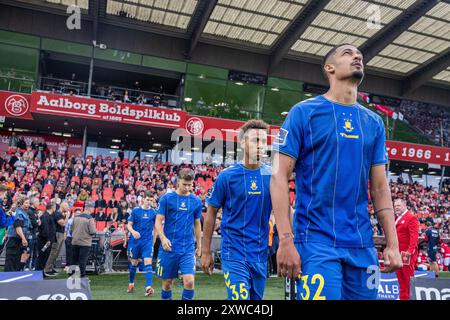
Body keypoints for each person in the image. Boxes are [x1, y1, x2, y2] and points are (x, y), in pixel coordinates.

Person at [270, 43, 402, 300]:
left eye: (360, 55)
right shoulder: (303, 113)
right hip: (316, 242)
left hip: (362, 245)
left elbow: (380, 188)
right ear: (329, 68)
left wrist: (392, 243)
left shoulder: (373, 123)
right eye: (347, 53)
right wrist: (286, 239)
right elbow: (278, 176)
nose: (357, 57)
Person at [202, 120, 272, 300]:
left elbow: (283, 211)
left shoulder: (272, 176)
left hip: (260, 253)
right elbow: (211, 213)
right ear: (242, 143)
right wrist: (205, 251)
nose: (261, 146)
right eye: (256, 140)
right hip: (234, 251)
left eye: (264, 141)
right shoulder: (227, 176)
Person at [155, 168, 202, 300]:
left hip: (187, 248)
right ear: (177, 182)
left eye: (190, 185)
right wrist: (163, 239)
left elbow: (197, 224)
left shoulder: (196, 201)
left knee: (189, 281)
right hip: (169, 248)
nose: (187, 187)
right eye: (184, 184)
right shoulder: (166, 198)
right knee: (168, 284)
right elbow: (158, 221)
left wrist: (199, 245)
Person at [126, 191, 157, 296]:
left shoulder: (153, 212)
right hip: (135, 242)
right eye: (148, 199)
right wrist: (133, 232)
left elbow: (156, 227)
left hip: (147, 242)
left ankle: (148, 287)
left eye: (151, 200)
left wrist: (153, 240)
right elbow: (129, 225)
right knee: (134, 263)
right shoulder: (135, 211)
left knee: (148, 263)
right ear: (143, 199)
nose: (149, 202)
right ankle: (131, 283)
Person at [393, 198, 419, 300]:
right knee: (400, 278)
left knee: (407, 278)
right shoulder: (396, 218)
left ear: (404, 205)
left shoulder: (411, 217)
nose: (396, 208)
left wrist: (410, 251)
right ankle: (403, 297)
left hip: (406, 254)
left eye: (398, 206)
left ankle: (410, 297)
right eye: (395, 206)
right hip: (398, 253)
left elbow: (414, 237)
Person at [4, 196, 31, 271]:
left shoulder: (24, 212)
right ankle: (7, 279)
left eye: (29, 203)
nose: (28, 205)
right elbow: (18, 227)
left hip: (18, 240)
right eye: (26, 203)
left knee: (17, 261)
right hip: (14, 239)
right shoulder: (17, 212)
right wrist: (23, 238)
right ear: (21, 203)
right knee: (11, 261)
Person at [70, 205, 96, 278]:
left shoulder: (76, 217)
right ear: (90, 209)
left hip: (75, 241)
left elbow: (70, 230)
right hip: (85, 242)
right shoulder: (90, 218)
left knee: (73, 259)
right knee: (82, 260)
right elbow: (92, 231)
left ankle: (72, 274)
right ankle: (82, 275)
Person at [44, 202, 70, 276]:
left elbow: (63, 226)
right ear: (63, 206)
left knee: (57, 252)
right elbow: (63, 224)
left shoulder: (60, 214)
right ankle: (47, 268)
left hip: (60, 234)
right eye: (67, 206)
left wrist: (64, 233)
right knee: (54, 252)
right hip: (57, 234)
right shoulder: (57, 214)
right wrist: (67, 216)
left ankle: (51, 268)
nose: (68, 208)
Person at [37, 203, 57, 276]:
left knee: (45, 257)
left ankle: (41, 272)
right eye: (55, 207)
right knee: (42, 256)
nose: (55, 209)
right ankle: (38, 272)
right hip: (44, 241)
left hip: (48, 240)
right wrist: (48, 239)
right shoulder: (45, 216)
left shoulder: (49, 216)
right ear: (52, 207)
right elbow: (45, 229)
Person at [27, 197, 40, 270]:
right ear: (33, 203)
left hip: (35, 234)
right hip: (30, 235)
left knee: (35, 253)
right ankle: (26, 266)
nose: (39, 203)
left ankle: (33, 266)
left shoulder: (35, 211)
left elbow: (37, 222)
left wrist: (37, 222)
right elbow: (34, 224)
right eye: (37, 202)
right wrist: (38, 222)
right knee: (29, 252)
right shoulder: (30, 211)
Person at [64, 209, 79, 273]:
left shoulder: (80, 221)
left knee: (75, 253)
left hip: (77, 238)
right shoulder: (69, 221)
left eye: (79, 214)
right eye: (77, 213)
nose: (78, 214)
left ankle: (74, 266)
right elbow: (65, 229)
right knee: (69, 253)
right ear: (74, 214)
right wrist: (65, 238)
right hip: (69, 238)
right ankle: (68, 266)